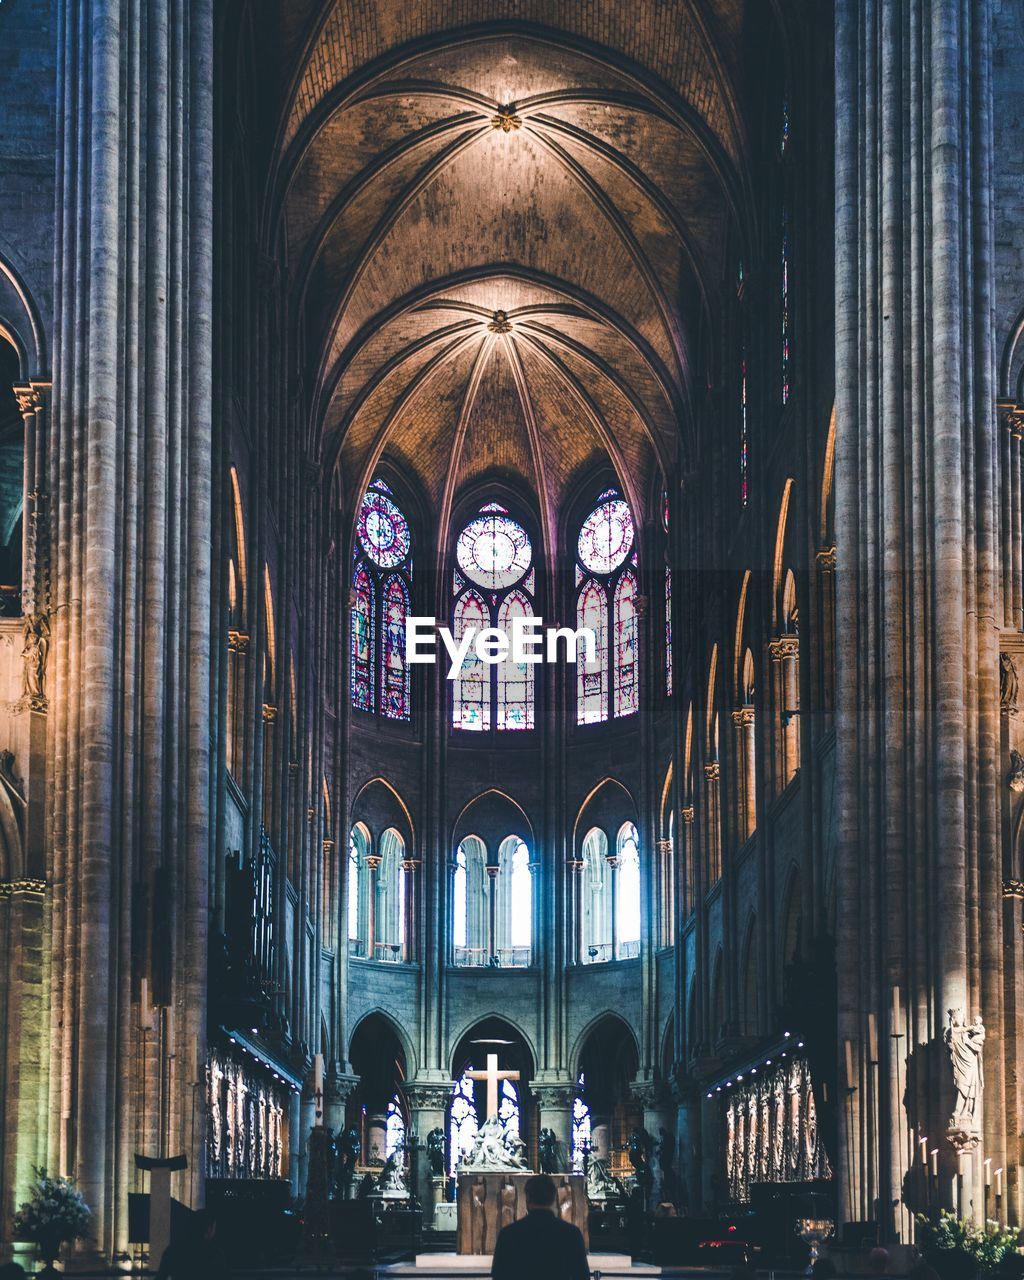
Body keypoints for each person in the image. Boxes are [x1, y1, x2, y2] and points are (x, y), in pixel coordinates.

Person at [490, 1173, 589, 1280]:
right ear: (553, 1199)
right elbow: (581, 1276)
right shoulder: (571, 1234)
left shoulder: (508, 1234)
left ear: (527, 1199)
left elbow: (499, 1276)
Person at [155, 1209, 229, 1280]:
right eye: (214, 1228)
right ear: (209, 1229)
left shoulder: (173, 1250)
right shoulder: (216, 1254)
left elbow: (161, 1277)